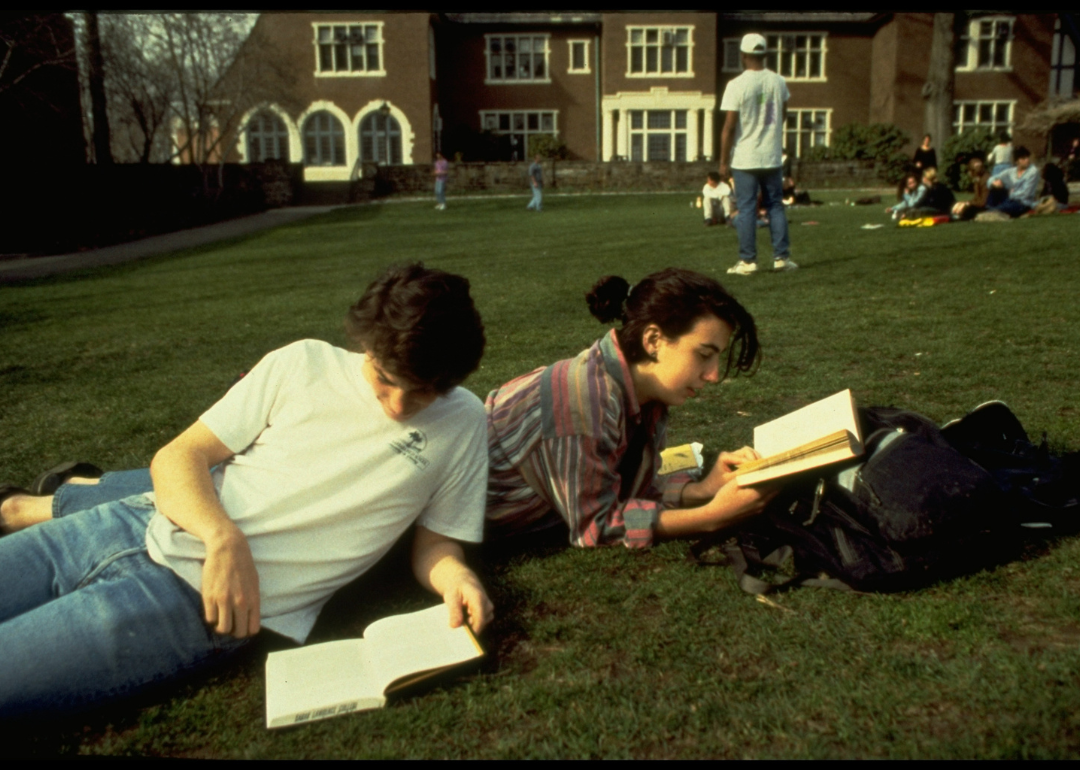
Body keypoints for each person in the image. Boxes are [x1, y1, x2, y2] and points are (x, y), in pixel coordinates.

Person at [0, 263, 493, 718]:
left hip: (191, 606)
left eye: (426, 390)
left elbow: (435, 542)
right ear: (367, 344)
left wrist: (455, 580)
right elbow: (178, 456)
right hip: (124, 522)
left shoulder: (464, 420)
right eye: (386, 379)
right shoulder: (304, 363)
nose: (401, 403)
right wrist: (223, 539)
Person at [485, 268, 775, 549]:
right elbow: (597, 524)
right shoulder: (584, 399)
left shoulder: (644, 395)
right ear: (653, 340)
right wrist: (711, 516)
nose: (712, 375)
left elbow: (627, 488)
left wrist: (700, 490)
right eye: (703, 355)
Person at [719, 33, 798, 276]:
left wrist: (723, 162)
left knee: (746, 207)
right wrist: (769, 128)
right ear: (764, 54)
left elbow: (730, 126)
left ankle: (748, 261)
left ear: (743, 56)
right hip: (771, 155)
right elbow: (782, 114)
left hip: (745, 157)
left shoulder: (736, 85)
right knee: (776, 206)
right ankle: (781, 258)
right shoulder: (778, 82)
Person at [985, 145, 1041, 218]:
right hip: (1010, 199)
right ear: (1017, 161)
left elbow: (1026, 193)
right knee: (995, 190)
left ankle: (988, 211)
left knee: (1001, 208)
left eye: (1027, 157)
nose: (1027, 160)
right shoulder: (1011, 172)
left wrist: (1010, 194)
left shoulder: (1033, 171)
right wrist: (994, 183)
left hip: (1023, 203)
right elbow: (991, 178)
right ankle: (989, 209)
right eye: (1023, 158)